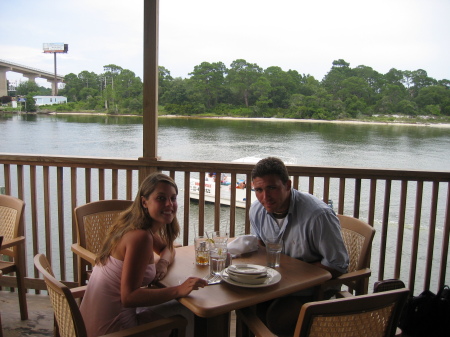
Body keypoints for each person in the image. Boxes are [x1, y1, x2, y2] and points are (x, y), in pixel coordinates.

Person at [80, 172, 207, 337]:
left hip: (90, 325)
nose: (169, 204)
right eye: (161, 198)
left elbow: (167, 248)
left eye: (173, 198)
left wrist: (163, 263)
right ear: (144, 202)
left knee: (179, 305)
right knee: (190, 312)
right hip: (113, 331)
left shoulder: (135, 226)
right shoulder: (140, 237)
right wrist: (178, 290)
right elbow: (129, 297)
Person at [249, 157, 349, 336]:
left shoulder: (318, 215)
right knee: (245, 306)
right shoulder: (256, 210)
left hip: (314, 289)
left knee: (276, 318)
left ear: (287, 185)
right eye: (259, 190)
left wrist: (292, 277)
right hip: (275, 283)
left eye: (272, 188)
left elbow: (337, 265)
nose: (265, 197)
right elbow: (261, 246)